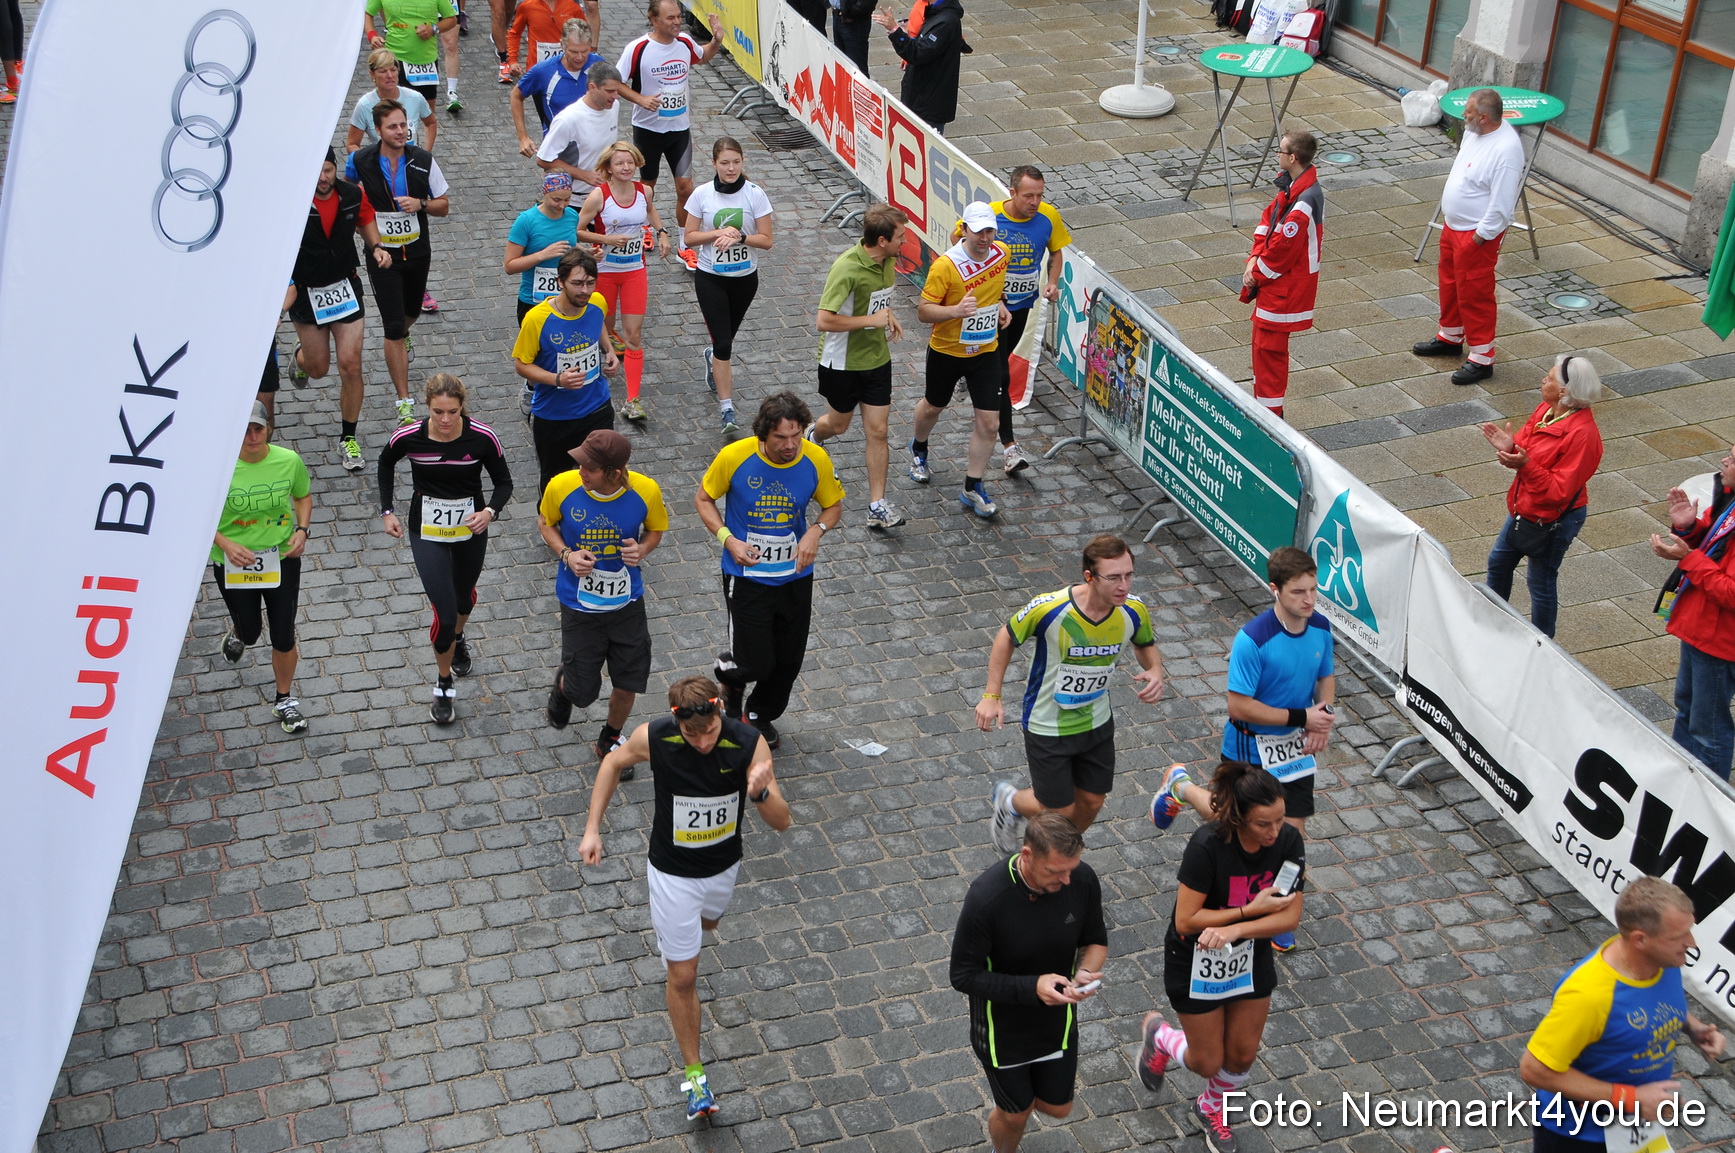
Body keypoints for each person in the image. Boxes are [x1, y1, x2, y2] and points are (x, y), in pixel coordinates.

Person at [579, 675, 791, 1122]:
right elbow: (612, 764)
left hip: (723, 868)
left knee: (709, 925)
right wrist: (593, 828)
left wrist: (760, 791)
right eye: (691, 736)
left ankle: (688, 934)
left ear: (719, 714)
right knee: (683, 975)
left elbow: (782, 822)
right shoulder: (654, 736)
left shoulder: (749, 744)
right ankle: (696, 1079)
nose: (701, 743)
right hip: (672, 874)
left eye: (709, 732)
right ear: (678, 724)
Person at [1151, 546, 1331, 953]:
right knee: (1229, 819)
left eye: (1313, 590)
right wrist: (1304, 718)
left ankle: (1278, 909)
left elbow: (1326, 678)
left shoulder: (1319, 627)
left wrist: (1326, 714)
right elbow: (1238, 705)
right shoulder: (1254, 639)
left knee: (1290, 833)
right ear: (1275, 590)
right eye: (1299, 592)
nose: (1309, 600)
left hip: (1295, 753)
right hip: (1249, 749)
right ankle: (1181, 787)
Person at [1136, 761, 1304, 1153]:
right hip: (1193, 959)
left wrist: (1236, 930)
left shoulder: (1287, 842)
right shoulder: (1207, 845)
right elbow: (1188, 919)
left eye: (1280, 819)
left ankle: (1211, 1107)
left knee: (1243, 1055)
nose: (1276, 832)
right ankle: (1160, 1037)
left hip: (1247, 955)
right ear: (1239, 818)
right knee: (1207, 1062)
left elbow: (1290, 914)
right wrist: (1247, 911)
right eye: (1264, 824)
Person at [978, 534, 1164, 845]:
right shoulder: (1050, 609)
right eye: (1114, 577)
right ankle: (1011, 803)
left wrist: (1155, 669)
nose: (1124, 585)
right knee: (1058, 808)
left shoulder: (1134, 610)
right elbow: (1006, 636)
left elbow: (1145, 643)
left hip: (1096, 721)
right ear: (1089, 577)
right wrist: (991, 695)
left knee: (1092, 802)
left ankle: (1060, 853)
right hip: (1047, 723)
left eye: (1129, 575)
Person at [1519, 876, 1725, 1153]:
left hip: (1634, 1127)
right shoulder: (1589, 995)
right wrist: (1633, 1098)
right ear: (1641, 939)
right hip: (1579, 1137)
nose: (1692, 943)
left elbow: (1654, 1000)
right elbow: (1534, 1069)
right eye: (1679, 936)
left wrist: (1692, 1026)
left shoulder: (1663, 960)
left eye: (1689, 930)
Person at [696, 392, 845, 750]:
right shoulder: (734, 457)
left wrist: (815, 531)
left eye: (797, 435)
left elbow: (833, 506)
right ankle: (730, 677)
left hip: (795, 575)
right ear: (763, 434)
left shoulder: (815, 459)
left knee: (789, 659)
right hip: (746, 576)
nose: (791, 445)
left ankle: (759, 714)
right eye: (781, 438)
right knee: (756, 662)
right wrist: (728, 539)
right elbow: (704, 498)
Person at [951, 814, 1105, 1153]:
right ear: (1027, 854)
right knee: (1016, 1113)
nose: (1067, 880)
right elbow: (962, 975)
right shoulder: (987, 898)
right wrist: (1032, 988)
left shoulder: (1080, 879)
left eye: (1072, 868)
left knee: (1057, 1108)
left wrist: (1086, 971)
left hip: (1057, 1021)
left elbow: (1095, 939)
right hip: (1002, 1030)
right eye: (1055, 871)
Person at [377, 375, 513, 726]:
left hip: (470, 528)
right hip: (427, 529)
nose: (446, 420)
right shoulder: (408, 437)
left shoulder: (482, 437)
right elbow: (385, 464)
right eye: (438, 412)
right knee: (446, 611)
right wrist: (387, 510)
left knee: (464, 599)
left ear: (462, 407)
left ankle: (457, 638)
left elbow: (504, 482)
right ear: (427, 407)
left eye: (452, 412)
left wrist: (489, 512)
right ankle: (443, 685)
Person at [539, 429, 669, 760]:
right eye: (581, 463)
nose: (580, 471)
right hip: (579, 605)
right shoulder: (562, 486)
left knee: (629, 682)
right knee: (582, 694)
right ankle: (565, 684)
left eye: (589, 468)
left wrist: (641, 550)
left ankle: (610, 738)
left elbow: (656, 530)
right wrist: (567, 554)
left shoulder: (646, 491)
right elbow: (545, 522)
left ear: (613, 472)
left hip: (627, 603)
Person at [1480, 354, 1608, 638]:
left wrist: (1523, 463)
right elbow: (1525, 451)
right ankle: (1493, 623)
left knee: (1540, 581)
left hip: (1554, 519)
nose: (1543, 380)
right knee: (1498, 563)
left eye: (1549, 378)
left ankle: (1542, 642)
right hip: (1524, 507)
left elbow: (1557, 492)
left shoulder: (1583, 436)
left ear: (1564, 391)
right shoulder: (1546, 411)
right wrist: (1511, 448)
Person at [287, 149, 394, 472]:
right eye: (317, 172)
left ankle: (348, 436)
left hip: (345, 287)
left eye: (329, 170)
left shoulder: (351, 194)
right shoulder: (293, 200)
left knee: (350, 365)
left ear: (336, 170)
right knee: (319, 369)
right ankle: (301, 358)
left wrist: (376, 247)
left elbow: (366, 218)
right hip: (308, 292)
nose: (323, 178)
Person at [211, 402, 314, 736]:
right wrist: (226, 544)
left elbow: (302, 496)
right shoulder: (218, 466)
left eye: (257, 428)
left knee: (283, 632)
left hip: (281, 557)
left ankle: (284, 699)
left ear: (268, 428)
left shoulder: (288, 461)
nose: (252, 436)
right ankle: (240, 633)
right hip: (232, 562)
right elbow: (197, 513)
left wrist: (302, 530)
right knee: (252, 631)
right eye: (244, 429)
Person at [1412, 87, 1525, 387]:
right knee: (1449, 284)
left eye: (1469, 113)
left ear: (1485, 117)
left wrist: (1479, 237)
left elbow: (1502, 205)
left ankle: (1482, 356)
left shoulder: (1506, 151)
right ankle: (1450, 337)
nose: (1463, 116)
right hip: (1454, 226)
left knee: (1475, 294)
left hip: (1476, 235)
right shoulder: (1476, 132)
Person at [907, 201, 1011, 517]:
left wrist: (1000, 305)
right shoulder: (944, 267)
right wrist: (955, 311)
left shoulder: (1002, 253)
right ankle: (919, 448)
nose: (985, 238)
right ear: (964, 229)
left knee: (989, 423)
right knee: (934, 406)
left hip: (985, 350)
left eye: (990, 230)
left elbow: (995, 288)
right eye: (978, 231)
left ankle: (972, 486)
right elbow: (924, 310)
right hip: (946, 351)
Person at [807, 203, 907, 529]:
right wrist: (872, 319)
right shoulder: (846, 269)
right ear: (881, 241)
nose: (904, 242)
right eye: (900, 237)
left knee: (878, 431)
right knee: (838, 425)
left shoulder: (889, 261)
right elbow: (823, 320)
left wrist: (888, 317)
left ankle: (876, 505)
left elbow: (879, 301)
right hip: (842, 363)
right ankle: (813, 434)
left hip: (877, 360)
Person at [347, 101, 452, 411]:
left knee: (411, 313)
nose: (400, 131)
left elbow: (443, 206)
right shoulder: (360, 160)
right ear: (377, 131)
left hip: (417, 251)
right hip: (381, 253)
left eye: (404, 125)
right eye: (392, 126)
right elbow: (351, 197)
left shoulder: (422, 160)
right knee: (392, 325)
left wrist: (421, 204)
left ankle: (404, 332)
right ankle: (404, 399)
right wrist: (363, 228)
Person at [617, 0, 726, 270]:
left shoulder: (685, 43)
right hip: (648, 129)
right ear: (654, 20)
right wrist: (640, 99)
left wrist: (717, 40)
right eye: (670, 18)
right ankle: (644, 226)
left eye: (679, 17)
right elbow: (615, 82)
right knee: (648, 187)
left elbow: (702, 56)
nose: (677, 22)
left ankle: (684, 246)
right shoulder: (638, 49)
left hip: (679, 129)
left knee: (685, 188)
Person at [977, 166, 1071, 473]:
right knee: (1002, 374)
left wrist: (1053, 281)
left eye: (1040, 195)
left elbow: (1056, 253)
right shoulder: (989, 216)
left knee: (998, 365)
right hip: (989, 308)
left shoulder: (1048, 217)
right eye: (1028, 195)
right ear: (1012, 192)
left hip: (1022, 306)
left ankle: (975, 376)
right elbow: (959, 244)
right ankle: (1009, 447)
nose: (1035, 202)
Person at [1650, 444, 1735, 781]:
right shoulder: (1730, 498)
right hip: (1702, 629)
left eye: (1733, 458)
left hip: (1718, 640)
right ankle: (1681, 779)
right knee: (1687, 706)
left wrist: (1688, 558)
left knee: (1708, 724)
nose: (1724, 461)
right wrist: (1689, 530)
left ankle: (1710, 798)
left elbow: (1729, 591)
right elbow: (1717, 543)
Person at [683, 137, 774, 437]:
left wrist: (740, 238)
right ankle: (727, 409)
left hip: (745, 279)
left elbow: (767, 240)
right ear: (714, 164)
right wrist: (719, 232)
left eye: (736, 162)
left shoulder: (755, 195)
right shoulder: (701, 195)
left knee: (726, 340)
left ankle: (713, 359)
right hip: (711, 277)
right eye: (725, 162)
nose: (731, 168)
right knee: (723, 344)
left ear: (742, 161)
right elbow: (689, 237)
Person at [577, 141, 673, 423]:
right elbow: (580, 231)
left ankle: (632, 400)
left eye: (630, 162)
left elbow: (651, 210)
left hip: (634, 271)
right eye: (619, 163)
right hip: (604, 272)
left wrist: (663, 232)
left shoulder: (644, 191)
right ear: (608, 167)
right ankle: (595, 388)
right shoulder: (599, 196)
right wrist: (606, 240)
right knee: (602, 332)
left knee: (633, 335)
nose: (626, 167)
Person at [512, 249, 620, 492]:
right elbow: (521, 365)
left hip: (597, 407)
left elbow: (599, 323)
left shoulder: (597, 302)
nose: (585, 290)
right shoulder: (536, 319)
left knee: (603, 477)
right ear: (560, 282)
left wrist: (609, 350)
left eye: (590, 283)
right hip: (555, 417)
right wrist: (557, 379)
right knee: (555, 485)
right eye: (577, 283)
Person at [1241, 130, 1322, 420]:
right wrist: (1253, 258)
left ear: (1292, 157)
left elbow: (1282, 251)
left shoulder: (1302, 201)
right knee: (1263, 351)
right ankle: (1265, 406)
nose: (1276, 155)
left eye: (1280, 151)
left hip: (1283, 289)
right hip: (1277, 286)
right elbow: (1268, 221)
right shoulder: (1293, 189)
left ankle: (1271, 415)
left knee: (1270, 353)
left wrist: (1255, 273)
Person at [505, 172, 581, 415]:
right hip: (533, 301)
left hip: (564, 300)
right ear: (544, 193)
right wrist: (542, 255)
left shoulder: (571, 216)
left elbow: (571, 248)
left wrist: (587, 255)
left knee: (560, 350)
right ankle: (530, 386)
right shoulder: (526, 221)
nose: (562, 205)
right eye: (556, 199)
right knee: (535, 356)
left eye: (567, 199)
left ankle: (556, 392)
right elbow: (509, 266)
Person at [871, 0, 968, 136]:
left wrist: (895, 30)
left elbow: (918, 53)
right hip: (921, 94)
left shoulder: (945, 21)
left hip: (929, 101)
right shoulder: (935, 12)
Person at [511, 18, 605, 153]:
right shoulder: (543, 71)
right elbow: (516, 95)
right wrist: (523, 138)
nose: (579, 57)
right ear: (562, 45)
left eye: (584, 51)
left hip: (594, 145)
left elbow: (617, 88)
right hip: (558, 147)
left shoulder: (599, 65)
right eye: (573, 51)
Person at [535, 61, 625, 188]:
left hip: (604, 193)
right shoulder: (568, 119)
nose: (616, 96)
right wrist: (584, 175)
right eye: (610, 91)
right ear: (592, 87)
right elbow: (543, 159)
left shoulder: (614, 106)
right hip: (575, 199)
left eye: (617, 90)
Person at [365, 0, 456, 108]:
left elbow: (451, 19)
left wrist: (433, 29)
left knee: (428, 113)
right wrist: (372, 36)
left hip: (426, 60)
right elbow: (368, 13)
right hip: (395, 59)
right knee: (392, 111)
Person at [347, 49, 439, 153]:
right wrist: (367, 164)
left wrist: (426, 154)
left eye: (393, 70)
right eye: (383, 71)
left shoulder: (415, 98)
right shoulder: (364, 105)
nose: (389, 75)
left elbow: (431, 122)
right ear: (372, 74)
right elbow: (352, 144)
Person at [506, 0, 597, 79]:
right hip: (538, 71)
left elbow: (585, 34)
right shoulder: (526, 6)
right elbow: (514, 33)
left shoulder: (572, 6)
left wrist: (586, 54)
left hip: (568, 69)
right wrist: (513, 61)